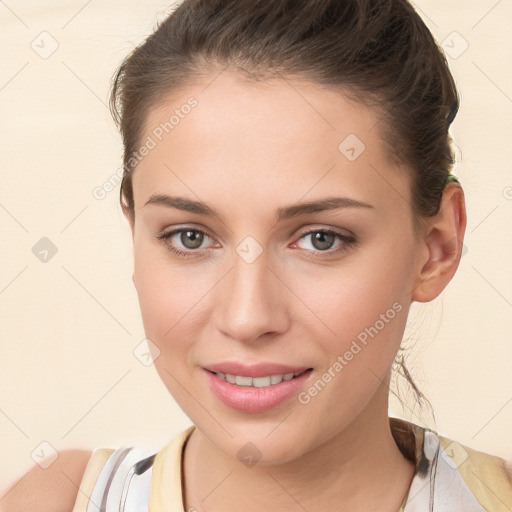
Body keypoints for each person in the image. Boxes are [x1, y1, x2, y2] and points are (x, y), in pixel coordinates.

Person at [2, 0, 511, 511]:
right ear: (135, 235)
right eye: (190, 237)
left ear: (436, 247)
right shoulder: (60, 499)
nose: (247, 318)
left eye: (321, 239)